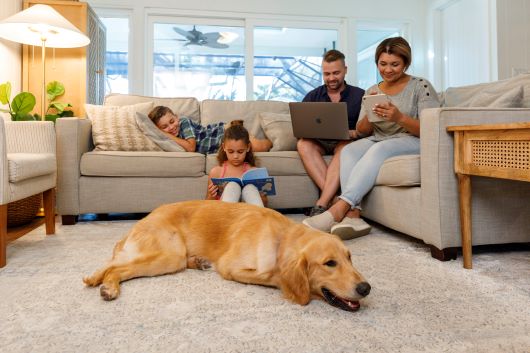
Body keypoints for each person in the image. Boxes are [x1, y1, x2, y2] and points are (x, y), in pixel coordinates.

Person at [303, 36, 440, 240]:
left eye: (395, 64)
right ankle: (354, 216)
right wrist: (370, 112)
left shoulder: (421, 86)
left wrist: (399, 117)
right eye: (382, 64)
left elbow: (432, 130)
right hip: (380, 137)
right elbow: (362, 130)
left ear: (406, 63)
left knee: (379, 150)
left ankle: (340, 207)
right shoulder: (372, 90)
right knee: (349, 150)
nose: (388, 69)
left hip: (411, 139)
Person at [297, 49, 365, 217]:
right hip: (320, 142)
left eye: (336, 73)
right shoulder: (313, 96)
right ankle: (334, 200)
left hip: (345, 141)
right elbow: (300, 128)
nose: (331, 78)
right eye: (327, 74)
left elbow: (367, 129)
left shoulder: (359, 95)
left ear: (345, 70)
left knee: (345, 147)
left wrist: (354, 132)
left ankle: (321, 203)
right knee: (302, 144)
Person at [148, 106, 272, 154]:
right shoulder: (169, 136)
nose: (171, 127)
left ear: (176, 117)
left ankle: (273, 143)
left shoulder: (183, 122)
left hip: (224, 132)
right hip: (220, 144)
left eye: (172, 121)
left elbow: (191, 147)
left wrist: (165, 133)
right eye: (164, 127)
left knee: (259, 147)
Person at [206, 120, 266, 207]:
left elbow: (265, 203)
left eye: (240, 152)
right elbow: (207, 205)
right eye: (231, 152)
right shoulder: (216, 172)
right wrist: (211, 196)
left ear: (248, 147)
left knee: (250, 188)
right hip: (226, 213)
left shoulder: (253, 171)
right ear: (224, 147)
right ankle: (227, 219)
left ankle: (259, 219)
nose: (235, 156)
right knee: (233, 186)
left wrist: (261, 196)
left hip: (249, 214)